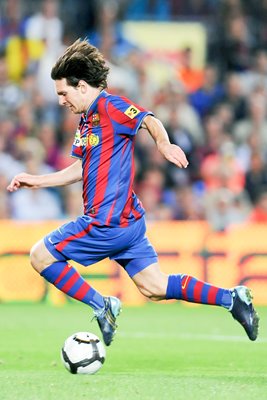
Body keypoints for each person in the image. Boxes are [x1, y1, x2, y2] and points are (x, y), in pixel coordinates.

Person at [7, 39, 259, 345]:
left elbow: (148, 119)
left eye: (64, 93)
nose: (61, 101)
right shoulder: (87, 121)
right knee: (155, 286)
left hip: (106, 222)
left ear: (83, 86)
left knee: (40, 256)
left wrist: (164, 144)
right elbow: (81, 169)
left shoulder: (111, 106)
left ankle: (103, 305)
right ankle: (233, 299)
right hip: (127, 221)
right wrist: (37, 180)